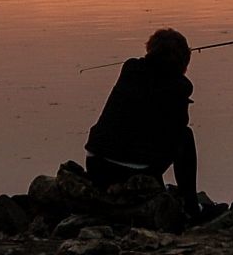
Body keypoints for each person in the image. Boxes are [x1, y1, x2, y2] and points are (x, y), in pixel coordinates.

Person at [85, 28, 202, 217]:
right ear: (183, 62)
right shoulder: (181, 87)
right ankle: (191, 206)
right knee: (184, 137)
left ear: (150, 50)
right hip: (131, 170)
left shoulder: (130, 68)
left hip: (96, 164)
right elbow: (177, 128)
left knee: (143, 137)